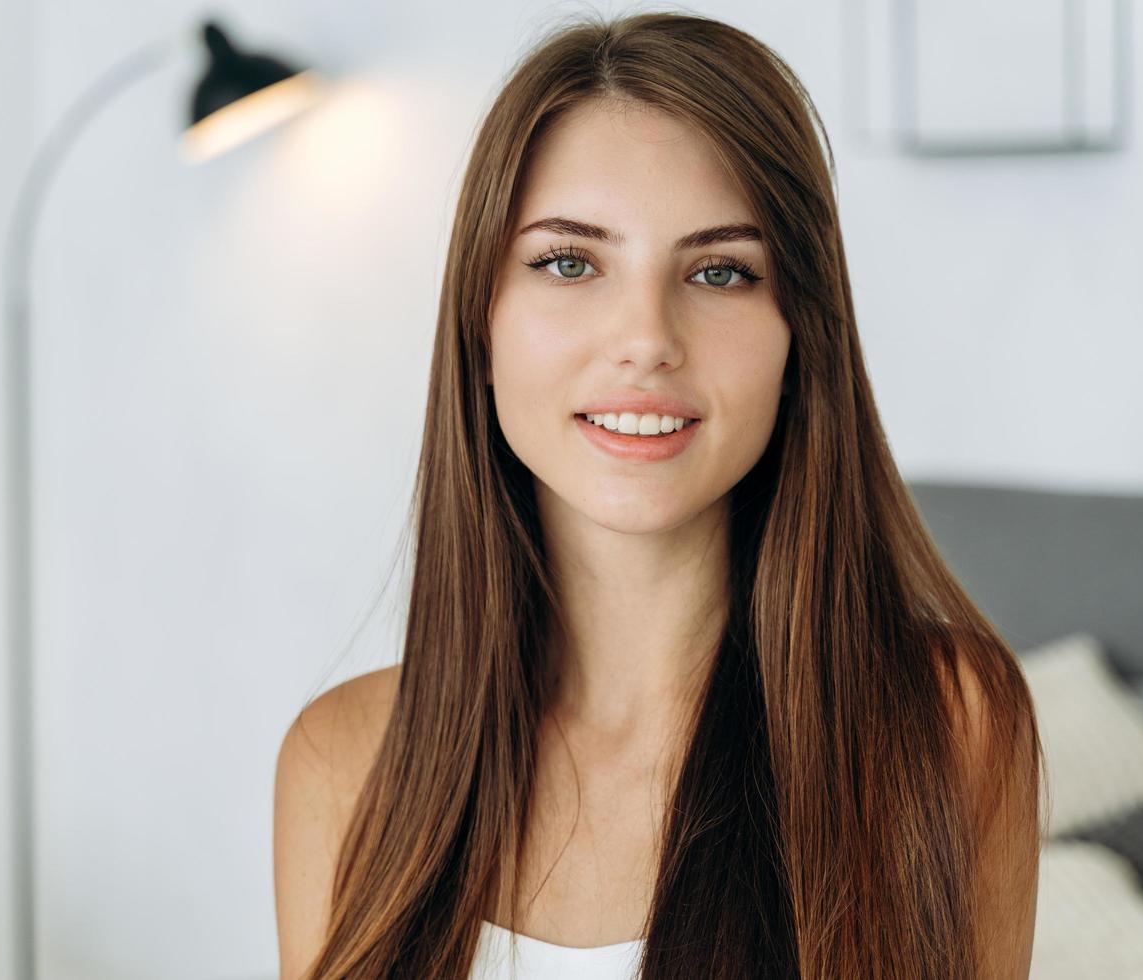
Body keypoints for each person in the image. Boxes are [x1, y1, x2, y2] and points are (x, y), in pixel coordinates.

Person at [274, 10, 1049, 979]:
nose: (646, 336)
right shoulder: (340, 763)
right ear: (482, 321)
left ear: (799, 336)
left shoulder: (946, 726)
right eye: (569, 261)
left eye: (720, 270)